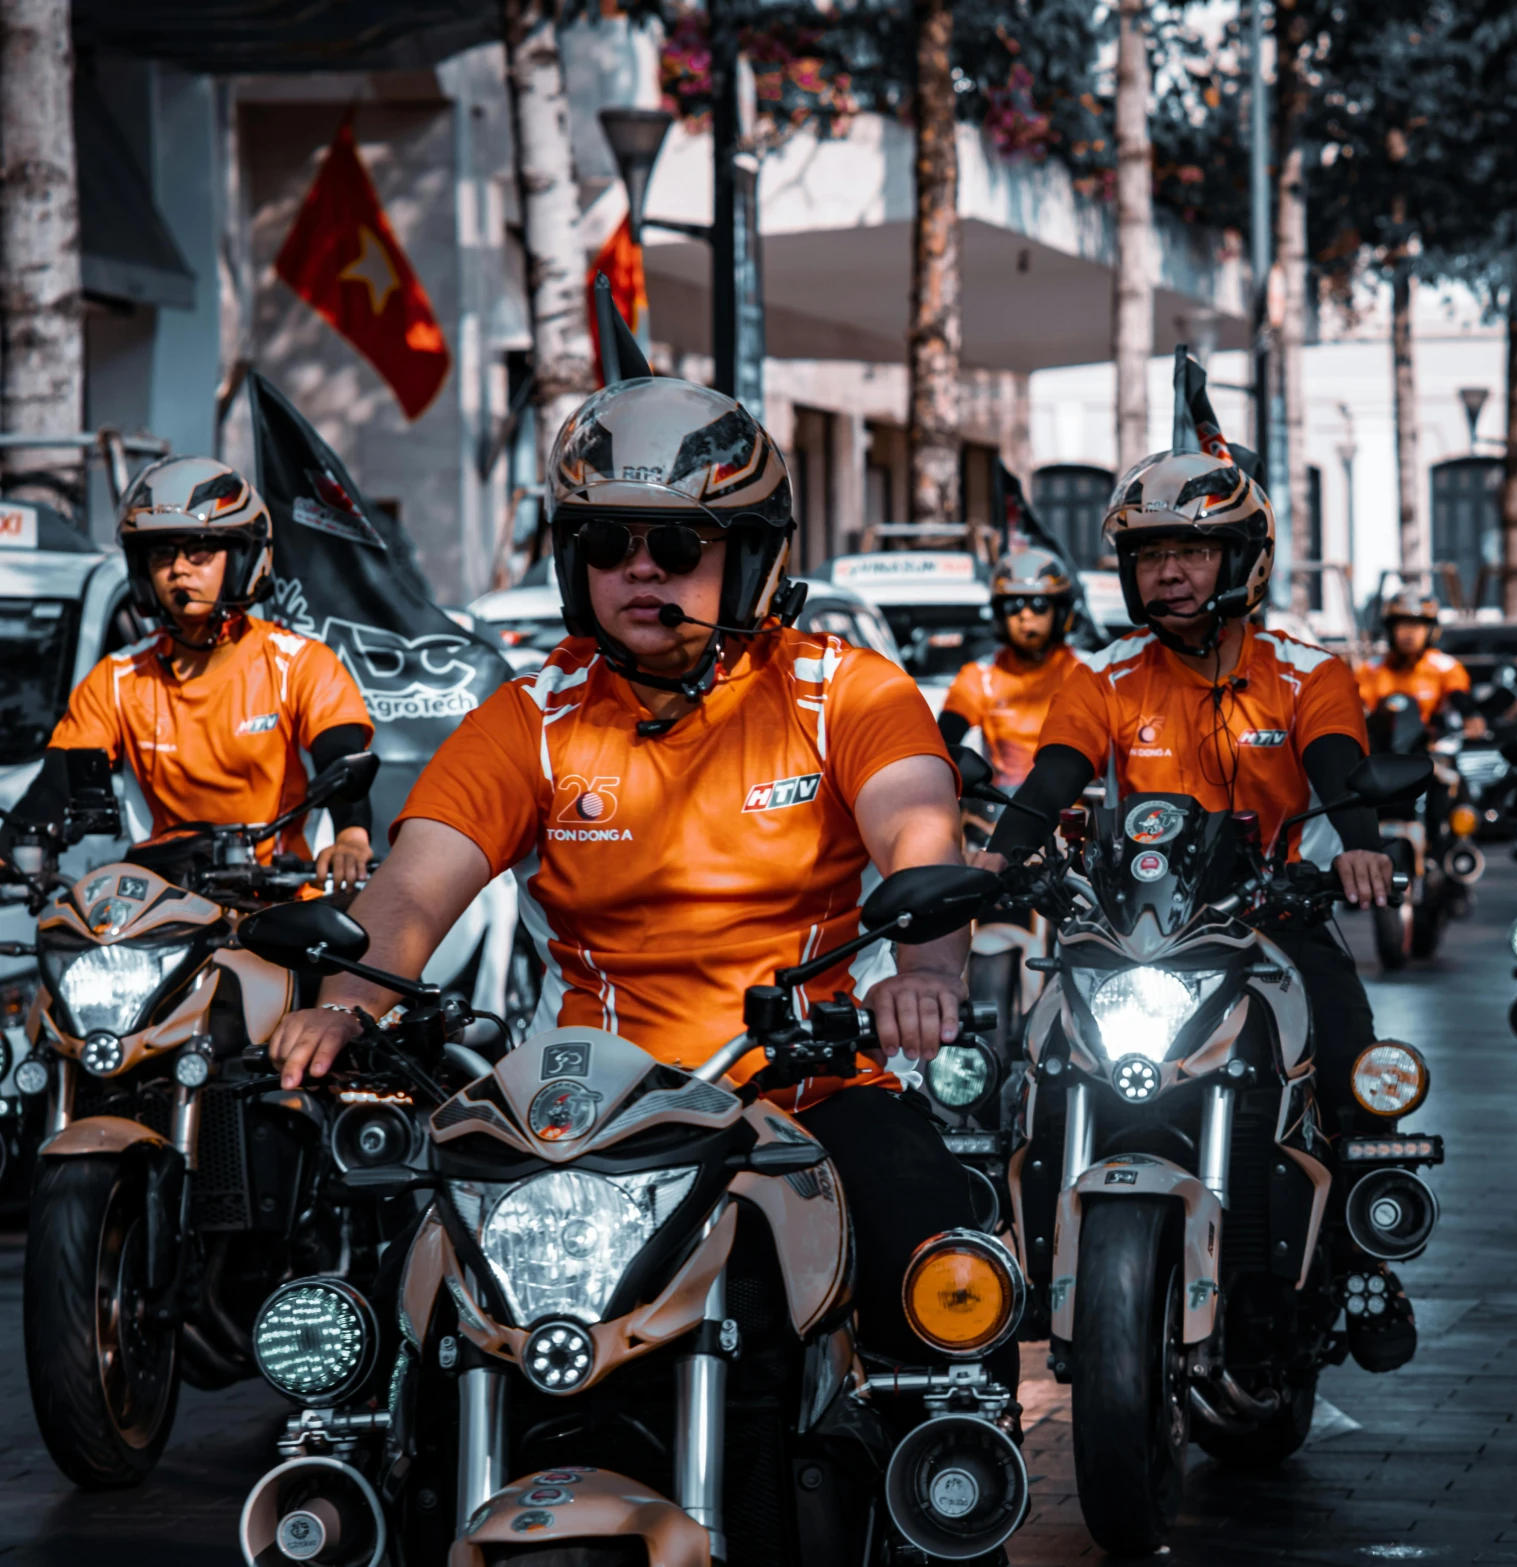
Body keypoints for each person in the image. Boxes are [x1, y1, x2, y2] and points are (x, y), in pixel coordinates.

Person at [265, 378, 983, 1368]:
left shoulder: (843, 689)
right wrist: (349, 1001)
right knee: (409, 1327)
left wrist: (930, 973)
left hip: (802, 1092)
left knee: (942, 1270)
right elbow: (415, 883)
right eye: (609, 544)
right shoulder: (537, 712)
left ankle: (943, 1498)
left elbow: (918, 832)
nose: (641, 570)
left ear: (749, 556)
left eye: (679, 545)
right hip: (587, 1115)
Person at [972, 449, 1419, 1373]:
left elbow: (1340, 768)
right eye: (1149, 554)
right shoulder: (1103, 674)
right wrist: (999, 857)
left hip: (1272, 922)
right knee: (1016, 1074)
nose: (1168, 573)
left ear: (1244, 556)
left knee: (1351, 1058)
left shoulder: (1308, 671)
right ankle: (997, 1256)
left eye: (1193, 550)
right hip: (1131, 932)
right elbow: (1053, 774)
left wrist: (1363, 845)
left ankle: (1371, 1258)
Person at [8, 457, 375, 888]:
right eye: (162, 553)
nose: (179, 569)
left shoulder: (299, 663)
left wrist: (352, 836)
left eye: (199, 552)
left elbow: (342, 758)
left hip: (280, 902)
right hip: (163, 906)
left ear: (242, 559)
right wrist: (16, 842)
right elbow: (56, 782)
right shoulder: (118, 679)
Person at [939, 547, 1081, 788]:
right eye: (1013, 606)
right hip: (999, 815)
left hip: (1074, 817)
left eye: (1039, 604)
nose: (1025, 615)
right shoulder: (979, 677)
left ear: (1060, 611)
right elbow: (942, 743)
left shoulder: (1086, 674)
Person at [1355, 592, 1481, 735]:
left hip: (1430, 744)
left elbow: (1460, 696)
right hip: (1383, 745)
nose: (1409, 634)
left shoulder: (1446, 666)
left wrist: (1470, 716)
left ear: (1431, 631)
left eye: (1416, 626)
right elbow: (1357, 708)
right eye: (1403, 625)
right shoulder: (1370, 669)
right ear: (1390, 630)